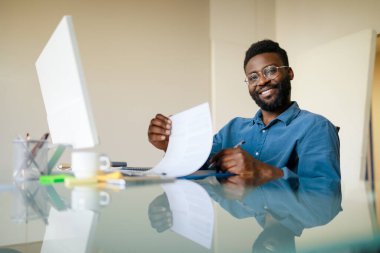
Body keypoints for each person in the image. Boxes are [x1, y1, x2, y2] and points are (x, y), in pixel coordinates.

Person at [147, 39, 340, 186]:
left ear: (289, 73)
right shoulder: (233, 128)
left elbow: (325, 193)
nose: (262, 81)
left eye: (271, 71)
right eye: (253, 77)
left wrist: (263, 172)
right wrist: (171, 145)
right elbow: (200, 164)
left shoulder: (316, 127)